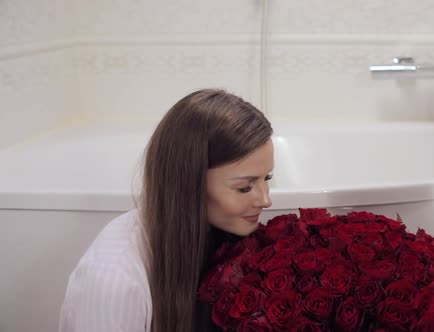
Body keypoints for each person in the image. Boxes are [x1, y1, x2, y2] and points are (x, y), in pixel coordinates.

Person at [59, 89, 274, 331]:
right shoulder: (113, 282)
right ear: (187, 184)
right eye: (245, 188)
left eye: (268, 178)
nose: (266, 200)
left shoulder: (211, 236)